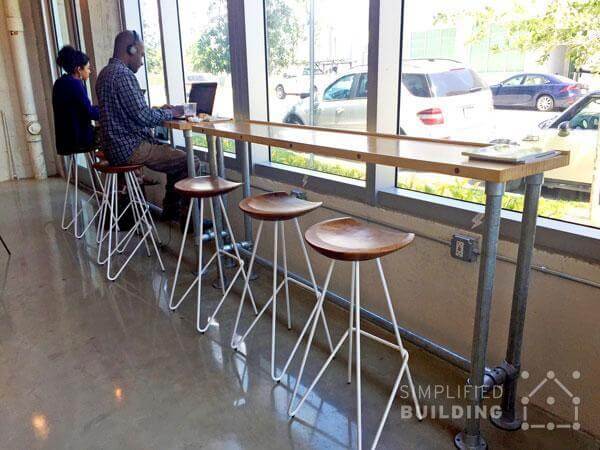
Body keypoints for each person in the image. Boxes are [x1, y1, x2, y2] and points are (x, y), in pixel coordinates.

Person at [96, 30, 197, 220]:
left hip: (113, 147)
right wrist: (173, 112)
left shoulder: (105, 73)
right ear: (131, 50)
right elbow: (142, 116)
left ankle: (171, 210)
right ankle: (184, 218)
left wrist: (158, 110)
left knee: (176, 158)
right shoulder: (123, 75)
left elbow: (128, 112)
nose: (142, 62)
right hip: (130, 149)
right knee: (190, 161)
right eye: (141, 55)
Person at [52, 46, 99, 156]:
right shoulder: (75, 84)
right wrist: (106, 110)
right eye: (88, 68)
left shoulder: (59, 83)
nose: (90, 71)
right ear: (79, 69)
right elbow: (89, 112)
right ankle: (116, 170)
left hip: (64, 141)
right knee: (115, 136)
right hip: (79, 140)